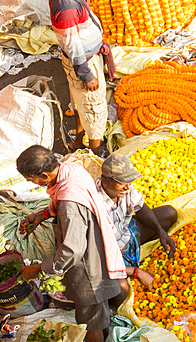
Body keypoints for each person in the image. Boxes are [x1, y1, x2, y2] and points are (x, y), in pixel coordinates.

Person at [17, 146, 126, 342]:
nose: (29, 182)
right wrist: (41, 215)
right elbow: (60, 202)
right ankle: (108, 316)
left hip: (88, 269)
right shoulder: (70, 170)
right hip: (96, 245)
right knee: (99, 309)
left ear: (44, 175)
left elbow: (72, 249)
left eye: (31, 179)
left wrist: (39, 269)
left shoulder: (70, 204)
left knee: (92, 321)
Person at [49, 0, 112, 155]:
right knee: (93, 107)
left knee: (79, 101)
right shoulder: (65, 4)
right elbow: (72, 43)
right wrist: (86, 74)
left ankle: (78, 140)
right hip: (83, 60)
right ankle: (96, 153)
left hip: (83, 58)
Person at [95, 153, 177, 289]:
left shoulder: (125, 187)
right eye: (121, 183)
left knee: (170, 213)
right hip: (108, 255)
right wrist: (136, 272)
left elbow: (141, 207)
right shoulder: (95, 204)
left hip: (126, 235)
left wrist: (160, 232)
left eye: (129, 182)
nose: (127, 187)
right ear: (105, 182)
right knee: (121, 288)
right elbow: (96, 256)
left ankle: (134, 253)